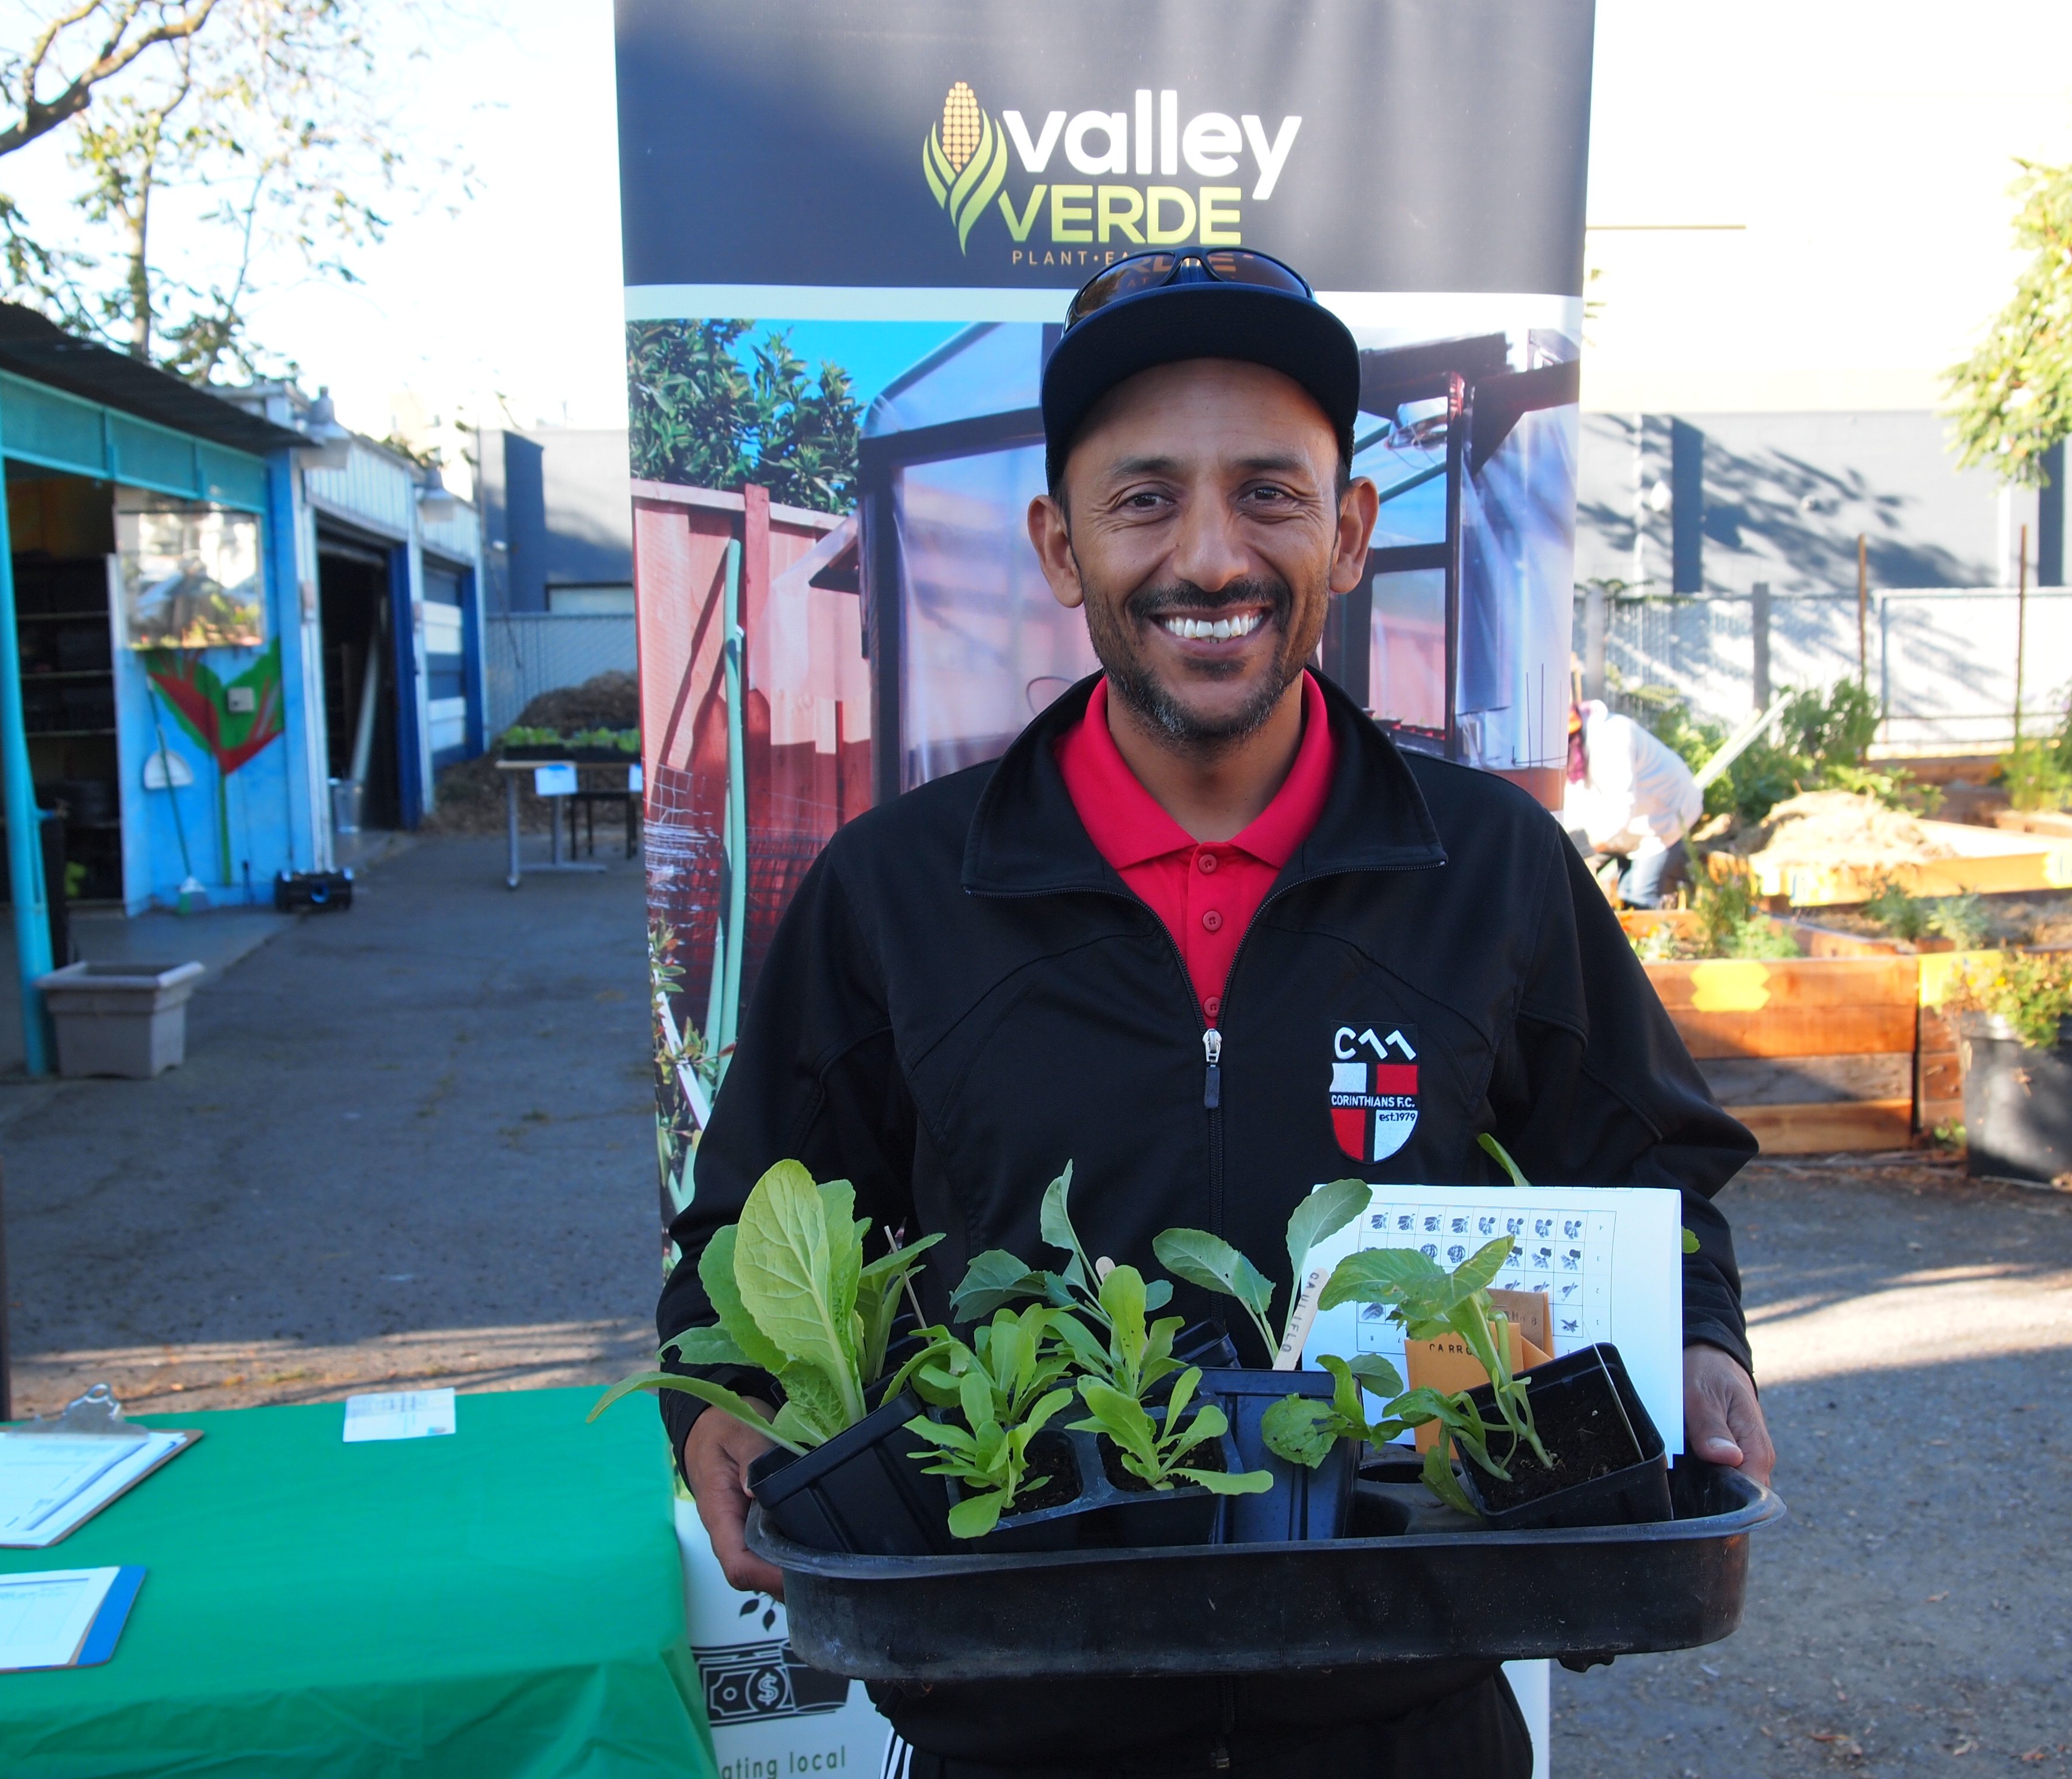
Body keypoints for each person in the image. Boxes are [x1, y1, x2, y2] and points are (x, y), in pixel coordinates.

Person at [659, 250, 1774, 1779]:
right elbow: (739, 1236)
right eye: (1142, 499)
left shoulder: (1489, 874)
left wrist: (1703, 1340)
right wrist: (722, 1401)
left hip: (1407, 1710)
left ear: (1351, 531)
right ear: (1059, 545)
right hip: (1017, 1722)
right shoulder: (896, 895)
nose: (1210, 556)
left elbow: (1649, 1168)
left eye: (1268, 492)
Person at [1562, 695, 1703, 908]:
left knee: (1639, 895)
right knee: (1623, 889)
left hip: (1665, 818)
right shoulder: (1578, 747)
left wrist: (1581, 847)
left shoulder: (1613, 737)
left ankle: (1655, 937)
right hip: (1633, 824)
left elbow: (1620, 810)